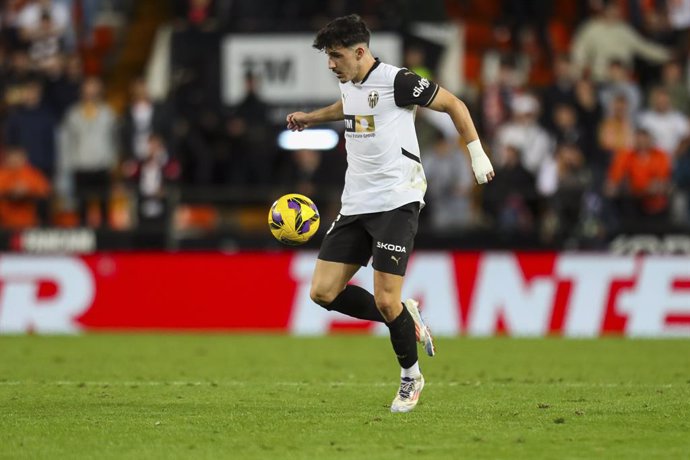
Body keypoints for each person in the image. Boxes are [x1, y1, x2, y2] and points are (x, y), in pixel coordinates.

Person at [286, 15, 494, 413]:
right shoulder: (349, 83)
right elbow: (349, 106)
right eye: (328, 56)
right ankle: (405, 315)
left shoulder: (398, 81)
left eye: (336, 56)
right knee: (322, 292)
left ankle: (411, 378)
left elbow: (454, 104)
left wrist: (477, 154)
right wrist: (311, 117)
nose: (331, 64)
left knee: (385, 299)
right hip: (356, 203)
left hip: (397, 200)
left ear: (360, 52)